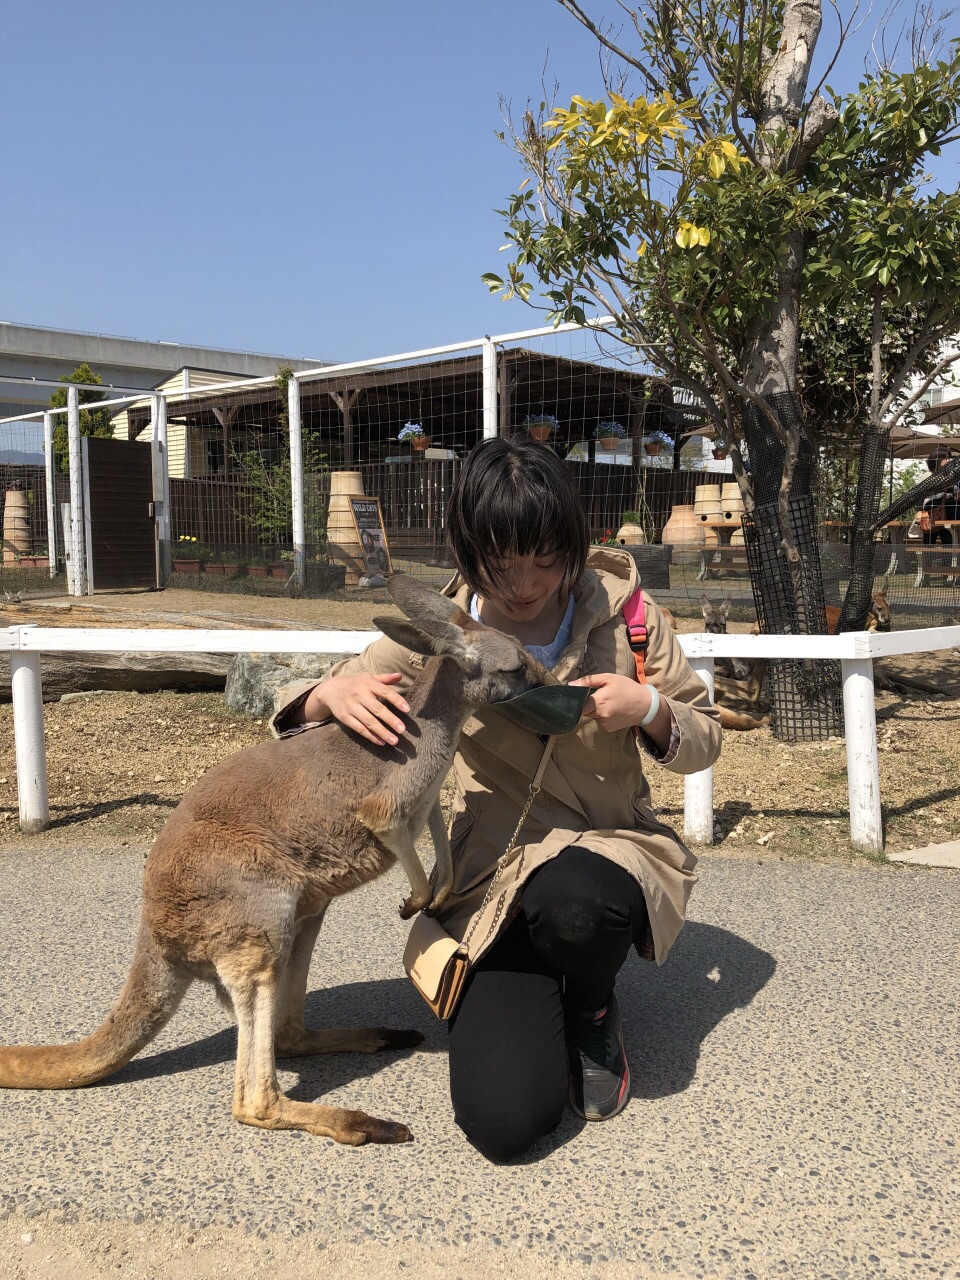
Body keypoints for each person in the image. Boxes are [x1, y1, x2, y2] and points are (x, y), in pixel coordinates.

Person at [271, 436, 722, 1162]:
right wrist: (327, 693)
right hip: (490, 880)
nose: (525, 583)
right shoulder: (442, 627)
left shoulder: (626, 616)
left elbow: (703, 737)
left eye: (545, 560)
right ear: (467, 548)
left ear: (572, 545)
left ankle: (592, 1001)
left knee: (576, 903)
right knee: (507, 1123)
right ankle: (531, 987)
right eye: (501, 563)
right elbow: (301, 699)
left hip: (608, 853)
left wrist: (648, 708)